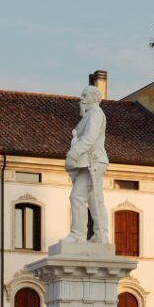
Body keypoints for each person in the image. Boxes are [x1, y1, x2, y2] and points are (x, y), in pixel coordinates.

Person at [64, 85, 110, 243]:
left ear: (95, 98)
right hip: (91, 162)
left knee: (77, 196)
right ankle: (100, 234)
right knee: (94, 199)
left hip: (93, 161)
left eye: (85, 95)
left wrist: (73, 154)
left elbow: (89, 138)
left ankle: (78, 235)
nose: (81, 98)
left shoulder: (95, 114)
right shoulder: (89, 115)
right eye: (81, 95)